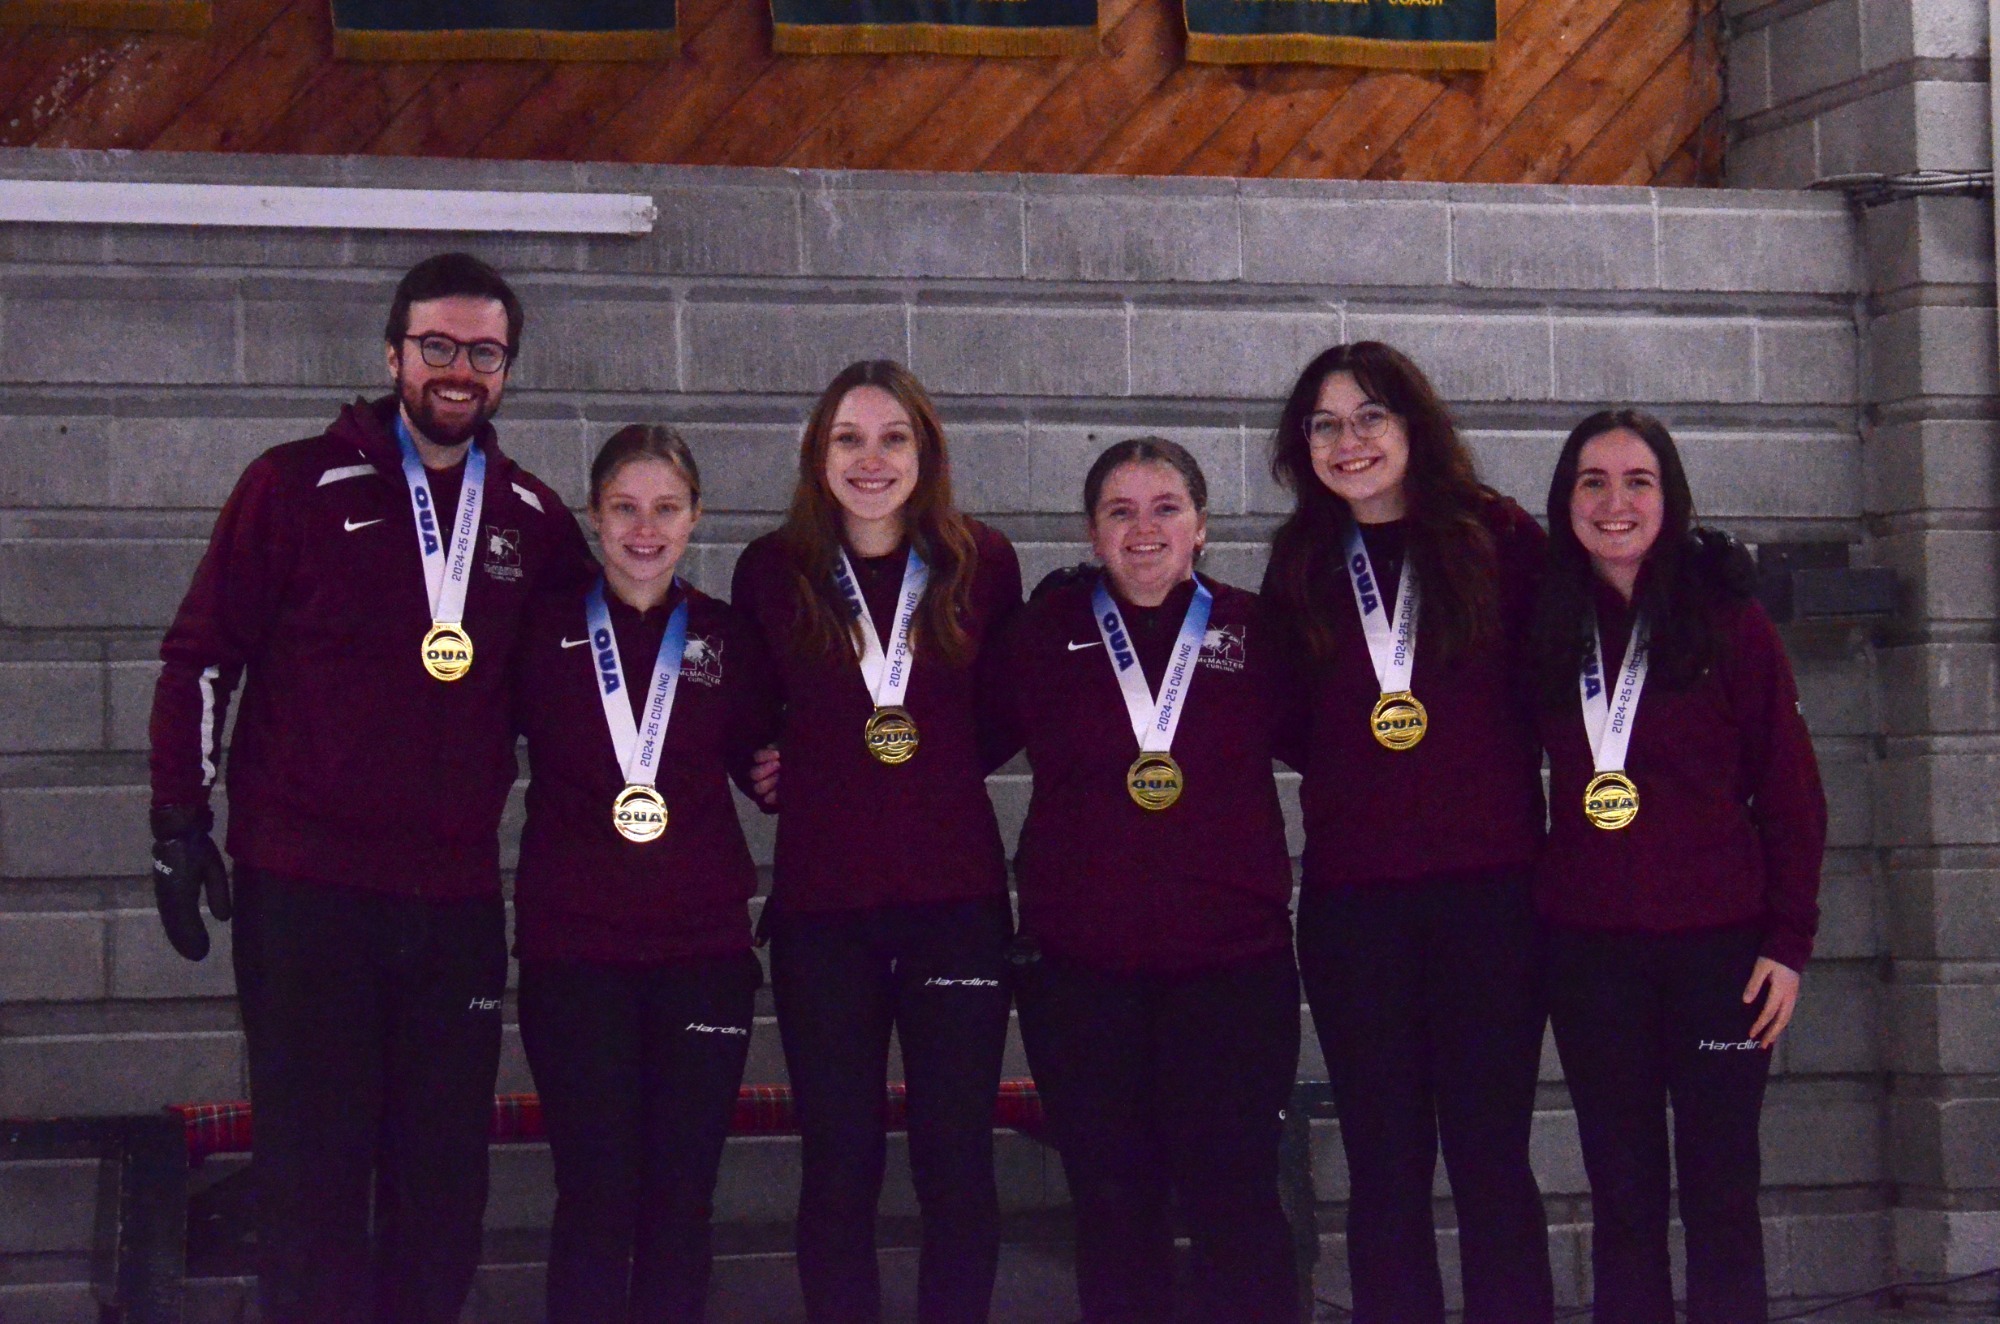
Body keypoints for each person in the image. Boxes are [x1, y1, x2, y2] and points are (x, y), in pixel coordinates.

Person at [147, 253, 592, 1324]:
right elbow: (203, 657)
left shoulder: (530, 519)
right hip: (307, 895)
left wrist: (745, 747)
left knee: (444, 1186)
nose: (458, 368)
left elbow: (591, 686)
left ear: (506, 371)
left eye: (483, 352)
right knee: (312, 1179)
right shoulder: (293, 485)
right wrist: (177, 820)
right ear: (392, 354)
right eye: (436, 345)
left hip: (451, 906)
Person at [1260, 342, 1553, 1324]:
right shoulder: (1299, 561)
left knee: (1487, 1160)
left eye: (1369, 416)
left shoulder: (1498, 538)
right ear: (1302, 445)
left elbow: (1574, 664)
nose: (1349, 441)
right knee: (1384, 1170)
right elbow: (1281, 720)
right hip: (1357, 909)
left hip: (1490, 905)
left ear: (1412, 424)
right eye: (1325, 424)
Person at [728, 360, 1021, 1324]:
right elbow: (740, 713)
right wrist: (761, 761)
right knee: (839, 1163)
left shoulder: (984, 561)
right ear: (818, 456)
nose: (871, 459)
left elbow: (1003, 717)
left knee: (956, 1160)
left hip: (955, 907)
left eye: (893, 437)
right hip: (824, 914)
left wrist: (924, 768)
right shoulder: (772, 570)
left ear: (925, 452)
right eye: (848, 439)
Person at [1530, 409, 1827, 1324]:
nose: (1614, 502)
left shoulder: (1728, 622)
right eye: (1592, 481)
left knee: (1721, 1188)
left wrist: (1788, 943)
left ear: (1671, 496)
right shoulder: (1545, 621)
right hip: (1591, 961)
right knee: (1621, 1197)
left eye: (1637, 481)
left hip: (1722, 963)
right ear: (1566, 499)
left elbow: (1791, 793)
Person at [999, 437, 1300, 1324]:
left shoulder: (1255, 632)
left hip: (1232, 976)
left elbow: (1349, 748)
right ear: (1091, 533)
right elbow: (945, 741)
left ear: (1202, 526)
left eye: (1166, 507)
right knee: (1113, 1208)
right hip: (1083, 980)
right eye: (1120, 511)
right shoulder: (1044, 634)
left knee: (1236, 1206)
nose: (1144, 529)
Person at [512, 426, 776, 1323]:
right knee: (593, 1196)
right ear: (594, 515)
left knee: (680, 1198)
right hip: (573, 952)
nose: (644, 529)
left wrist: (776, 770)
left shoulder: (727, 638)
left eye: (666, 508)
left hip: (701, 951)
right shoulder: (541, 630)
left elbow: (759, 756)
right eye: (625, 507)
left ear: (696, 517)